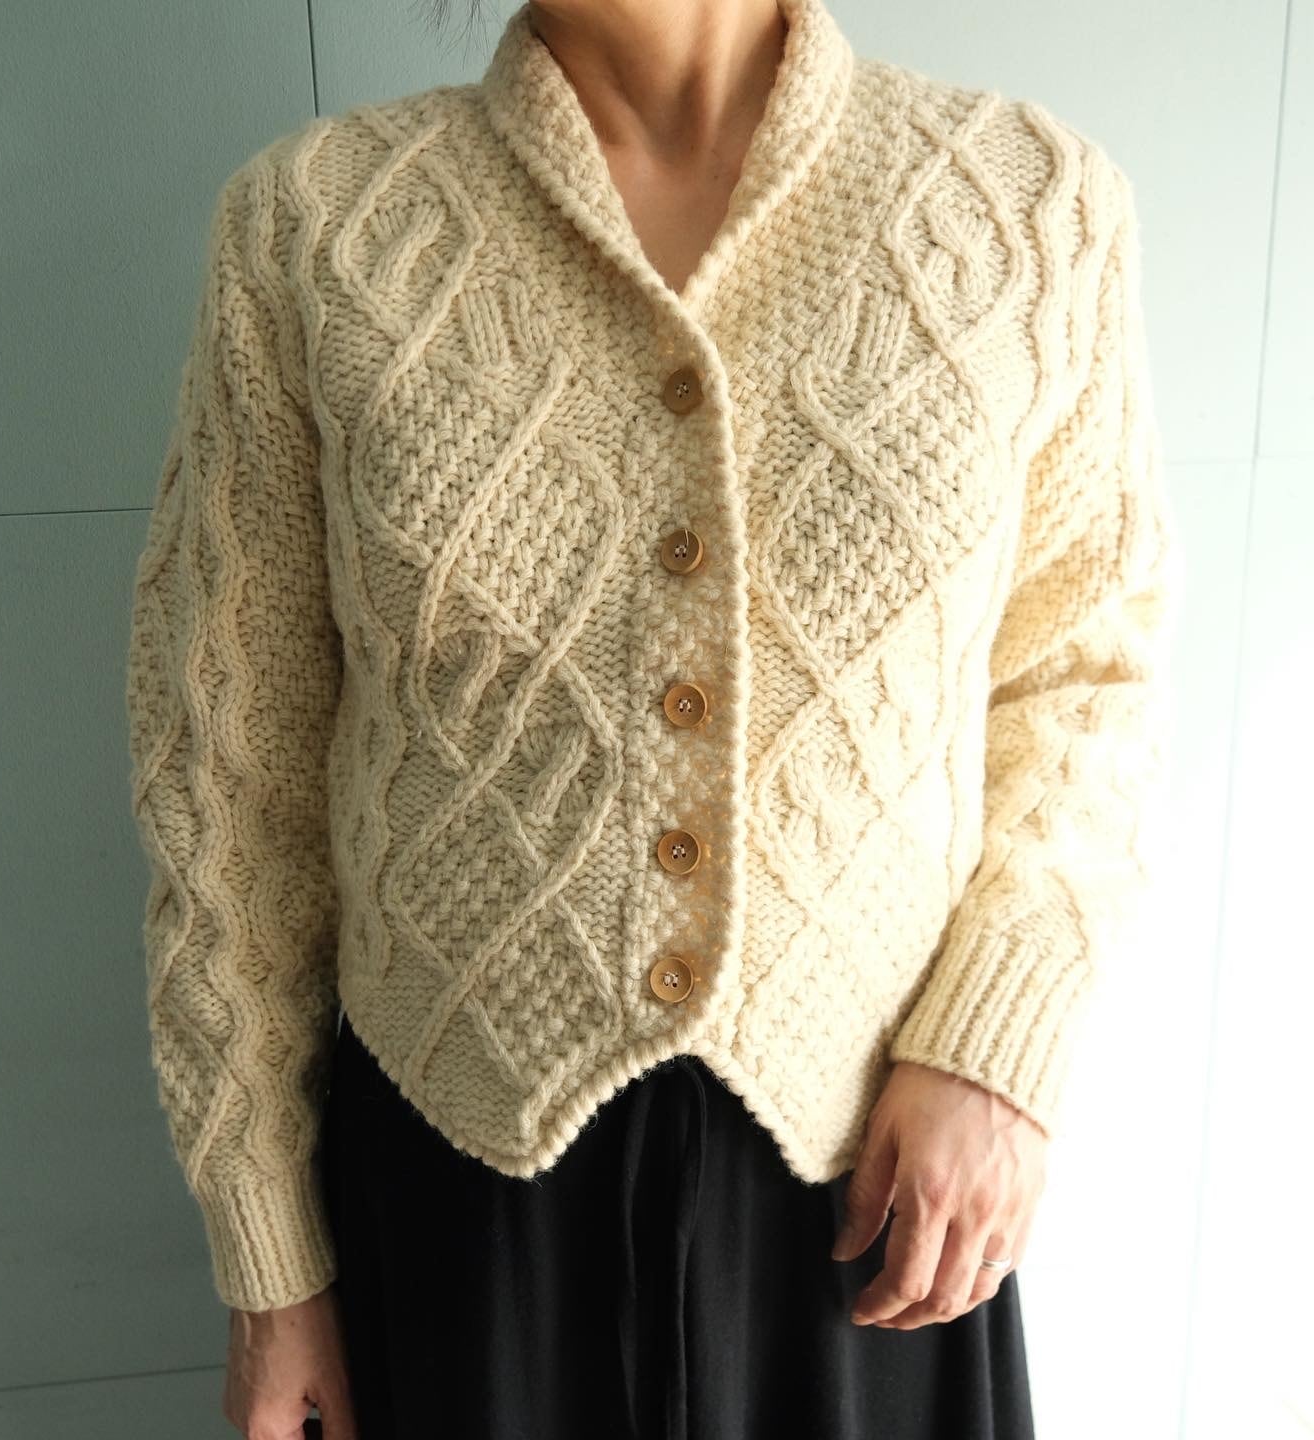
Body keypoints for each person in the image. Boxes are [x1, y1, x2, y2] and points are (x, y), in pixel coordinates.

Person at [123, 0, 1181, 1435]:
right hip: (457, 1198)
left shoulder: (1031, 208)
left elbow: (1085, 682)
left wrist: (998, 1049)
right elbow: (228, 781)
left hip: (877, 1195)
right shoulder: (311, 229)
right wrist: (270, 1266)